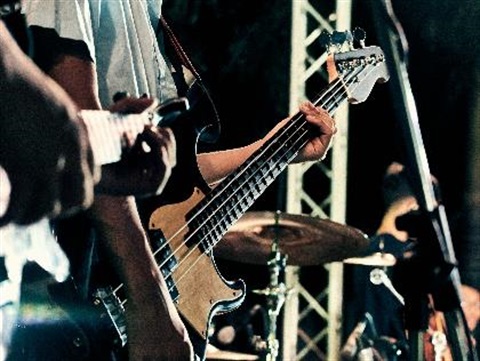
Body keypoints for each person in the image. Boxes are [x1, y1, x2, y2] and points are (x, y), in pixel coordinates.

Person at [7, 1, 337, 360]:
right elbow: (80, 134)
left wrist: (271, 150)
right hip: (77, 289)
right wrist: (148, 299)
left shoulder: (148, 12)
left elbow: (152, 170)